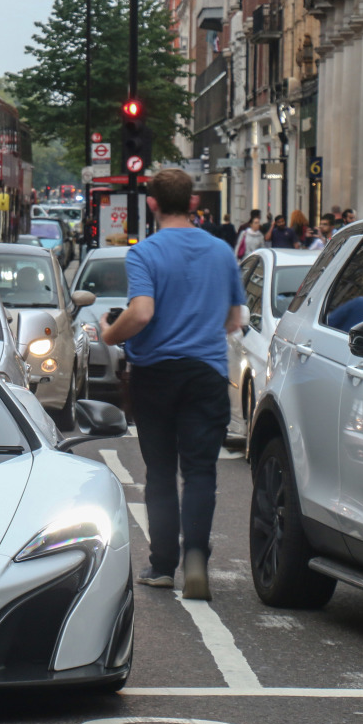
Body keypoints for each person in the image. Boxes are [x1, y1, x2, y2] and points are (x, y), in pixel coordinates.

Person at [100, 168, 245, 601]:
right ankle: (197, 554)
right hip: (206, 373)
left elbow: (141, 313)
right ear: (194, 203)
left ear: (152, 203)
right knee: (201, 470)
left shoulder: (145, 252)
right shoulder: (222, 252)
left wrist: (109, 332)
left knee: (160, 472)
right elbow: (235, 320)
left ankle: (163, 565)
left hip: (157, 375)